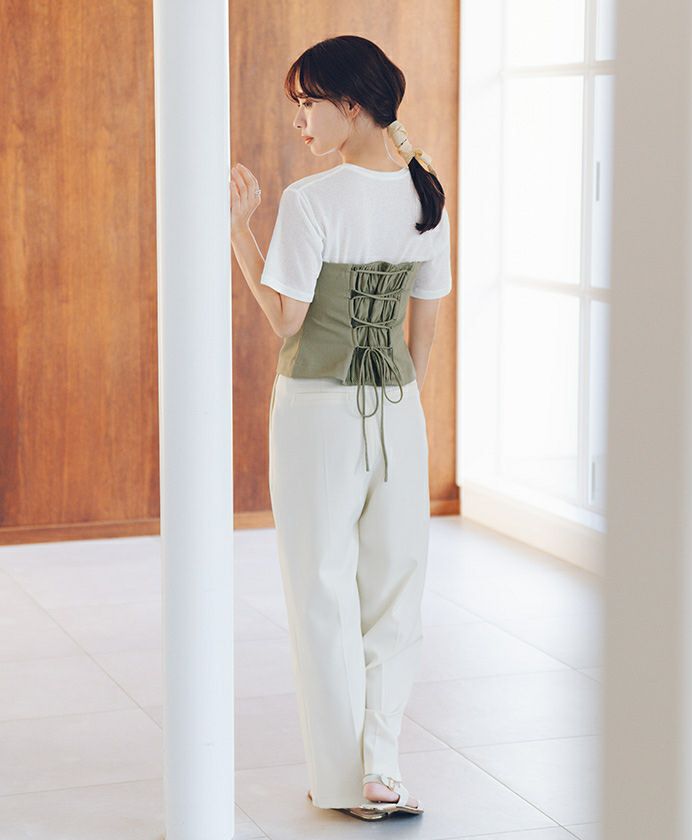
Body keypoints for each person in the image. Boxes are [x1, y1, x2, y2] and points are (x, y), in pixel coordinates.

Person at [229, 35, 452, 821]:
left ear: (349, 105)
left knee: (320, 588)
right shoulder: (427, 193)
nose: (299, 119)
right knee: (395, 588)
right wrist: (402, 404)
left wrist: (238, 231)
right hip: (396, 408)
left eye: (307, 102)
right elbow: (426, 324)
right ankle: (380, 767)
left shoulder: (310, 200)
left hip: (317, 411)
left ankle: (342, 780)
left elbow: (286, 320)